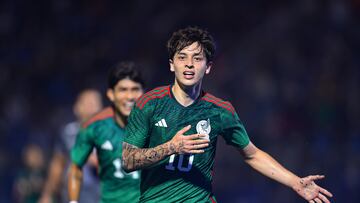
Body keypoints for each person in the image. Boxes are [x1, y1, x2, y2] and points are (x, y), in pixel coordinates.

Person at [122, 27, 333, 203]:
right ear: (171, 64)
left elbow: (252, 154)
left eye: (197, 58)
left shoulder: (220, 110)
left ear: (208, 67)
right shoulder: (149, 104)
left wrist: (295, 182)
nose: (189, 64)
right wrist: (171, 147)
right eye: (182, 57)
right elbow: (128, 160)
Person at [68, 62, 145, 203]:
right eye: (123, 90)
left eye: (135, 89)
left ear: (143, 93)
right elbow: (75, 167)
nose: (130, 96)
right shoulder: (93, 127)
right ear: (111, 94)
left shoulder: (158, 125)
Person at [39, 89, 103, 203]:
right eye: (87, 103)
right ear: (77, 108)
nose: (91, 107)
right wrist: (47, 195)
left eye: (94, 103)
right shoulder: (67, 133)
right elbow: (57, 165)